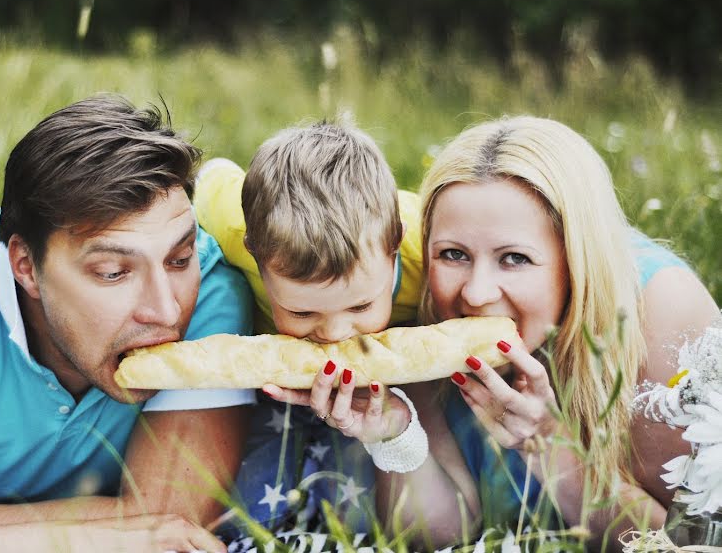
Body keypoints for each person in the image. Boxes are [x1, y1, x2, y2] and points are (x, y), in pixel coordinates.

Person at [267, 116, 721, 549]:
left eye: (515, 259)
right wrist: (393, 433)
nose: (478, 293)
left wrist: (546, 443)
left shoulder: (659, 315)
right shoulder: (414, 310)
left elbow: (689, 544)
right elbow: (441, 535)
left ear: (577, 260)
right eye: (453, 254)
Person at [0, 94, 257, 552]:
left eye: (179, 257)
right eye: (113, 273)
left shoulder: (211, 292)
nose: (168, 312)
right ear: (26, 266)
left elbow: (169, 527)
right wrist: (87, 536)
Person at [194, 121, 478, 536]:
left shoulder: (431, 251)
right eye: (303, 313)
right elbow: (207, 177)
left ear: (394, 245)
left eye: (362, 304)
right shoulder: (232, 225)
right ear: (255, 254)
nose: (336, 333)